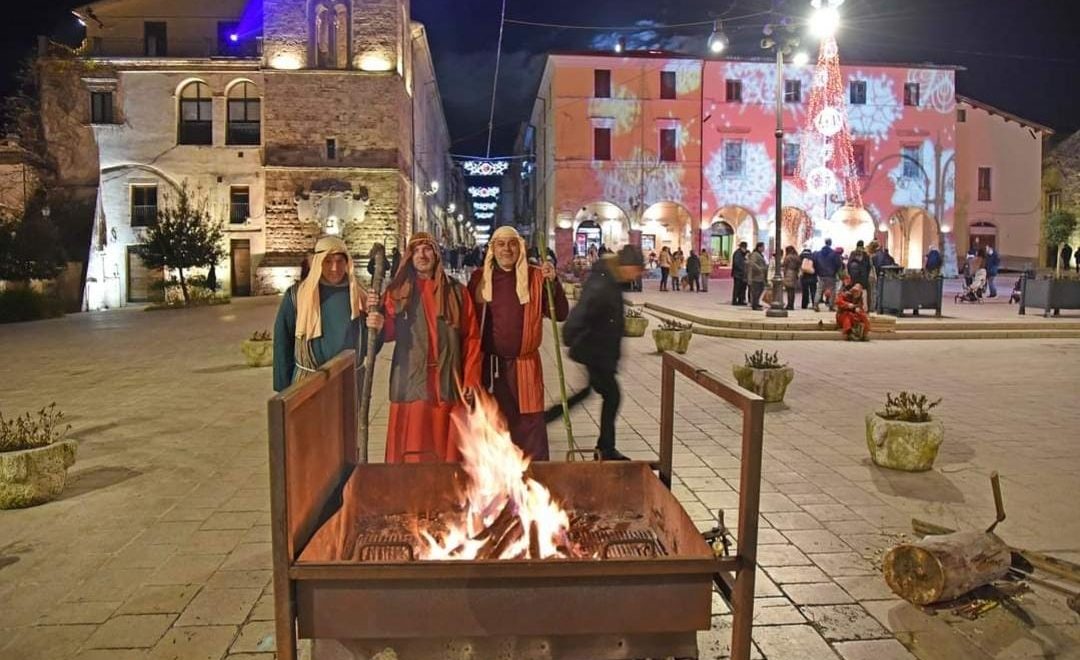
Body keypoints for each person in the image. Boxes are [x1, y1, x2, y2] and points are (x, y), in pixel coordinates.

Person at [468, 227, 568, 461]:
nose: (507, 249)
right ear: (492, 249)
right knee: (493, 423)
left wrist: (553, 282)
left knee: (529, 423)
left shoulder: (536, 277)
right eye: (501, 244)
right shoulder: (480, 279)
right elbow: (467, 320)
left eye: (512, 243)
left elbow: (561, 313)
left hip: (525, 366)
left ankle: (533, 476)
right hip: (490, 368)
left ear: (520, 247)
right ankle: (496, 477)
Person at [381, 232, 483, 463]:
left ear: (436, 254)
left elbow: (471, 338)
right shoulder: (397, 292)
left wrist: (471, 378)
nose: (422, 255)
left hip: (447, 379)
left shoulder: (457, 292)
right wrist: (376, 321)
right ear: (409, 256)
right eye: (416, 251)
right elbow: (387, 332)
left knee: (445, 448)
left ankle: (446, 485)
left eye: (427, 249)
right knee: (414, 444)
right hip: (412, 380)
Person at [562, 245, 645, 461]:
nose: (637, 275)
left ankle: (549, 416)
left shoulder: (611, 279)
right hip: (595, 352)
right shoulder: (603, 283)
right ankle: (606, 448)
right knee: (612, 395)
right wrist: (569, 334)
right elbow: (583, 310)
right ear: (626, 266)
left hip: (600, 352)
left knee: (592, 393)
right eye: (636, 270)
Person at [273, 236, 383, 392]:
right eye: (328, 261)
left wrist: (377, 328)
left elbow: (367, 347)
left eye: (340, 261)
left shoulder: (360, 297)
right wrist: (284, 389)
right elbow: (283, 342)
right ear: (318, 262)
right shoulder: (297, 296)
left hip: (349, 383)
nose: (334, 268)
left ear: (347, 262)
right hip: (308, 383)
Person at [813, 239, 842, 312]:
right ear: (830, 243)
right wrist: (835, 271)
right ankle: (831, 306)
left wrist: (818, 271)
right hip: (831, 275)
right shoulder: (834, 253)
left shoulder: (818, 253)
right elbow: (838, 264)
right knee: (832, 291)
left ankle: (816, 305)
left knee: (819, 290)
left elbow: (815, 262)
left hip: (821, 275)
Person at [747, 242, 768, 310]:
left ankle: (756, 302)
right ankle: (754, 305)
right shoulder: (755, 254)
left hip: (760, 276)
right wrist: (760, 268)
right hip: (756, 276)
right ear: (759, 247)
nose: (764, 248)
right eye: (763, 247)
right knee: (756, 291)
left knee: (760, 289)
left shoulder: (760, 254)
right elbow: (752, 264)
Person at [781, 246, 800, 311]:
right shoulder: (797, 257)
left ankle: (789, 305)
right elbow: (799, 265)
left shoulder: (788, 257)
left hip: (788, 274)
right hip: (794, 274)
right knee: (792, 291)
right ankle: (791, 305)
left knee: (789, 291)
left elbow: (784, 265)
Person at [731, 241, 749, 305]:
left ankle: (741, 300)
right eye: (744, 248)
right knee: (737, 288)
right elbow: (736, 263)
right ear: (741, 247)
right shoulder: (737, 253)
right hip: (737, 274)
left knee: (743, 288)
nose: (745, 249)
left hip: (743, 275)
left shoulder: (745, 253)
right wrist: (742, 269)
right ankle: (735, 300)